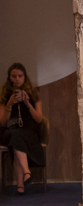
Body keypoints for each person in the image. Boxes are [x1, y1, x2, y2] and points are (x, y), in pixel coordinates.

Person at [0, 63, 45, 195]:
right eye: (14, 76)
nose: (17, 79)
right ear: (10, 78)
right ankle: (26, 172)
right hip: (9, 130)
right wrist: (9, 105)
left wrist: (28, 104)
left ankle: (21, 183)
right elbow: (2, 121)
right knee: (15, 135)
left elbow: (39, 119)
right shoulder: (4, 94)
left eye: (20, 76)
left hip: (29, 131)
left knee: (17, 141)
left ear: (25, 77)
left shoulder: (33, 93)